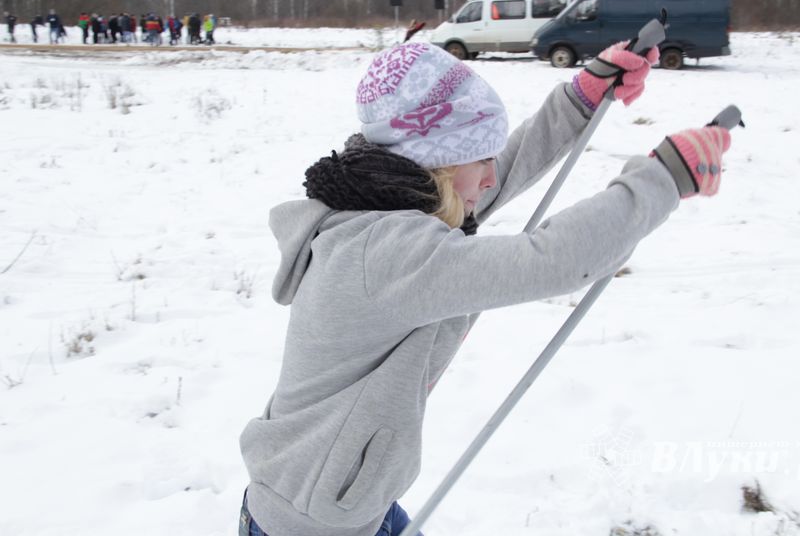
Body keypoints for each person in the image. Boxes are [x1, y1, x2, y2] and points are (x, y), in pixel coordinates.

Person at [238, 42, 732, 536]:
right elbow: (555, 260)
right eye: (480, 160)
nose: (491, 177)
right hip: (312, 521)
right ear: (440, 166)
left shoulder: (383, 207)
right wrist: (663, 178)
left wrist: (579, 100)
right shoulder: (387, 255)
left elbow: (491, 182)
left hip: (342, 497)